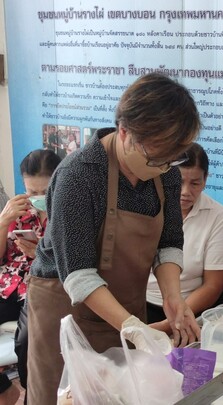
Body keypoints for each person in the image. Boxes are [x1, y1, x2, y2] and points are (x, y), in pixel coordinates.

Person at [26, 73, 201, 404]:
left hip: (124, 308)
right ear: (124, 132)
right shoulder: (79, 175)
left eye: (172, 159)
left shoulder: (166, 172)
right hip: (64, 310)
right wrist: (133, 327)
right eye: (156, 158)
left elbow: (169, 243)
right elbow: (78, 275)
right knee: (63, 397)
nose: (164, 167)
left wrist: (173, 298)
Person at [146, 142, 223, 322]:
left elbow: (214, 285)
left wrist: (169, 324)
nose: (186, 192)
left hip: (197, 308)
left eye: (195, 183)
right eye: (179, 182)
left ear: (205, 179)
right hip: (147, 304)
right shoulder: (146, 206)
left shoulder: (217, 215)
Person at [0, 150, 61, 405]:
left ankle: (30, 393)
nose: (37, 198)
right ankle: (5, 389)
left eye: (44, 191)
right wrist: (3, 221)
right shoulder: (18, 210)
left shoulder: (67, 214)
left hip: (41, 285)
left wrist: (39, 254)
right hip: (7, 285)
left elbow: (70, 265)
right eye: (31, 191)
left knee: (28, 341)